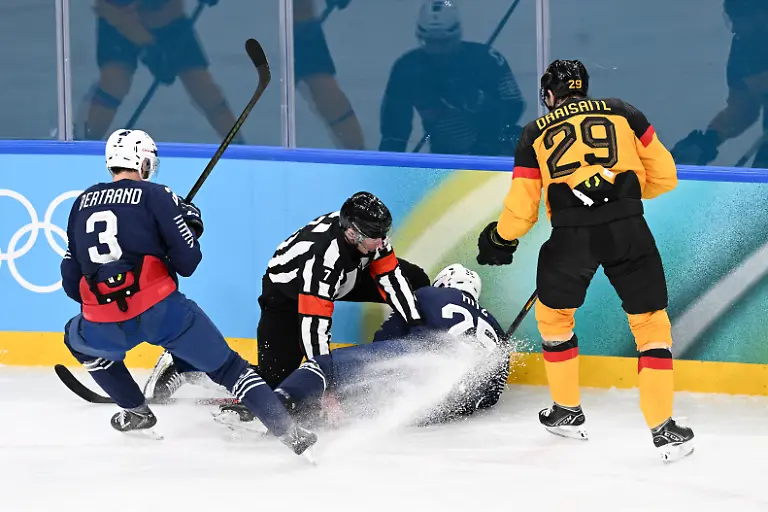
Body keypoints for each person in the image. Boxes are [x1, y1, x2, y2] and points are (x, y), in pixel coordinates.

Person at [475, 59, 694, 463]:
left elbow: (522, 212)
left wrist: (498, 239)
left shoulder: (533, 132)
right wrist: (619, 195)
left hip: (571, 238)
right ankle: (664, 430)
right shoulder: (625, 111)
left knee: (555, 318)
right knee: (650, 325)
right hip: (629, 228)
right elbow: (665, 176)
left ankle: (566, 412)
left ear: (550, 94)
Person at [60, 128, 316, 457]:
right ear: (144, 161)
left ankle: (135, 411)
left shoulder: (81, 203)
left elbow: (71, 282)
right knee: (230, 369)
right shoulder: (157, 195)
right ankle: (290, 433)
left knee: (76, 339)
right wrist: (190, 225)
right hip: (163, 313)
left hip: (104, 319)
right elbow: (188, 261)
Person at [143, 191, 431, 401]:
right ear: (352, 234)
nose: (382, 241)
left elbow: (392, 279)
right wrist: (325, 389)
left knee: (414, 279)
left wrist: (419, 328)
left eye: (383, 234)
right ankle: (185, 366)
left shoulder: (371, 239)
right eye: (374, 236)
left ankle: (403, 350)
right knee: (273, 382)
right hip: (287, 296)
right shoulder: (323, 261)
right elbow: (314, 328)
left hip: (348, 275)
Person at [216, 264, 511, 429]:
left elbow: (385, 342)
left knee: (324, 367)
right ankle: (319, 411)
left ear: (444, 282)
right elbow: (491, 394)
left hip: (423, 367)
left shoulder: (430, 295)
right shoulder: (496, 329)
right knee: (370, 401)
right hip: (450, 405)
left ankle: (268, 407)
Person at [77, 0, 242, 143]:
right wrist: (149, 48)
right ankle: (85, 141)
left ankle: (237, 144)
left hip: (169, 19)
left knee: (204, 88)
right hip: (117, 21)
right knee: (114, 83)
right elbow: (116, 12)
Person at [379, 0, 525, 156]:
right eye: (430, 42)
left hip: (491, 154)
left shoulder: (487, 60)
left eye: (444, 43)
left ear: (457, 35)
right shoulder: (407, 70)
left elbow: (515, 106)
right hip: (445, 157)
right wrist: (387, 168)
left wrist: (478, 100)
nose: (437, 50)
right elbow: (394, 132)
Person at [671, 0, 768, 167]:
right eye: (731, 20)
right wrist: (709, 140)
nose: (734, 28)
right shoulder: (745, 53)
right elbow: (743, 109)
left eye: (739, 20)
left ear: (760, 16)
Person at [293, 0, 366, 150]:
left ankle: (360, 156)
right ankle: (360, 156)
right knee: (320, 83)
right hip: (296, 26)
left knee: (320, 83)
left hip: (298, 26)